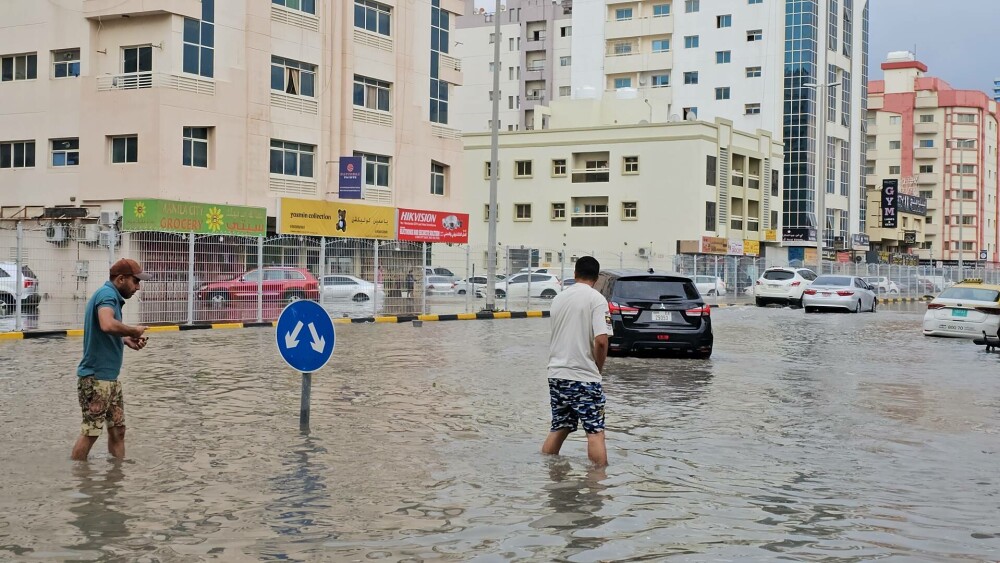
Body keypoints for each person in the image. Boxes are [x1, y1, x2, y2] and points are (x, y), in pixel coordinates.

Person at [71, 258, 151, 461]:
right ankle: (79, 478)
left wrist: (125, 339)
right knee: (91, 432)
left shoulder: (110, 296)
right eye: (135, 281)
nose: (138, 287)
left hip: (109, 380)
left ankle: (116, 477)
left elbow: (105, 330)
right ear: (121, 279)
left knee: (118, 430)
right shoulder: (107, 295)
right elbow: (106, 324)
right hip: (96, 379)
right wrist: (133, 329)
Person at [541, 256, 613, 467]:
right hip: (583, 377)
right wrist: (597, 369)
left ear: (575, 274)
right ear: (597, 278)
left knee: (560, 427)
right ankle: (598, 486)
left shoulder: (559, 299)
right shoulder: (597, 299)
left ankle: (548, 472)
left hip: (556, 375)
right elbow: (601, 341)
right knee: (595, 432)